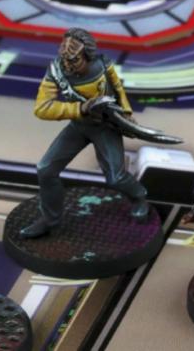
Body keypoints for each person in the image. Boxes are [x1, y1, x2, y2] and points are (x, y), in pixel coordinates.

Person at [20, 27, 148, 239]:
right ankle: (50, 219)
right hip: (79, 126)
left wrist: (126, 114)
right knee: (45, 169)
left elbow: (117, 88)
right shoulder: (57, 70)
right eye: (65, 59)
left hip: (106, 127)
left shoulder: (103, 65)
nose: (68, 65)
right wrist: (80, 108)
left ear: (88, 56)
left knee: (116, 178)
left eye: (74, 60)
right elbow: (42, 108)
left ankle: (139, 197)